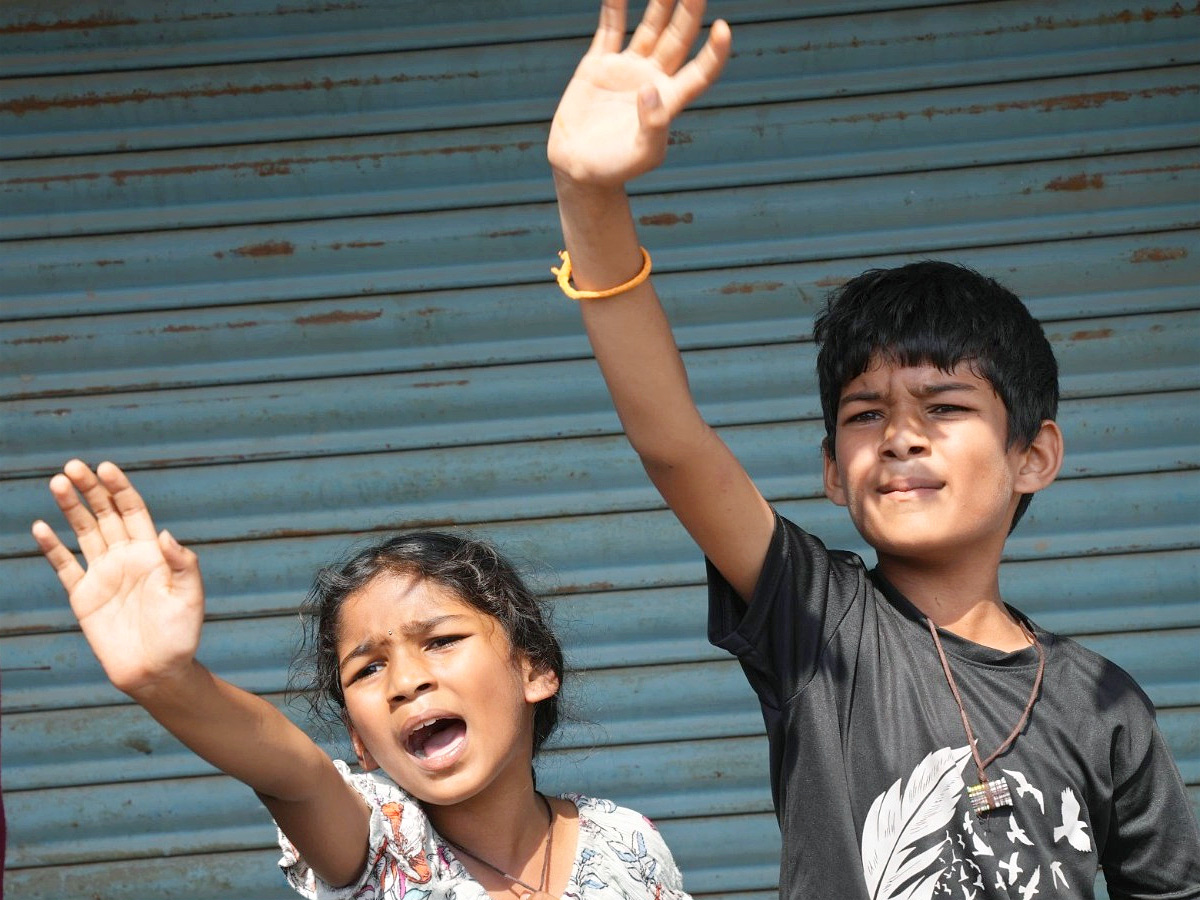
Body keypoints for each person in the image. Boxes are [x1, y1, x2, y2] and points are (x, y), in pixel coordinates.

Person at [547, 1, 1200, 898]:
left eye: (945, 405)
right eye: (865, 415)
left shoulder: (1105, 703)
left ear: (1034, 456)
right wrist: (592, 198)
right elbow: (672, 443)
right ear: (829, 469)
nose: (900, 434)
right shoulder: (817, 622)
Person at [32, 459, 691, 900]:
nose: (405, 681)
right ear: (361, 740)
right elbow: (289, 770)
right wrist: (169, 681)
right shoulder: (382, 840)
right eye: (368, 668)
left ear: (534, 668)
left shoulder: (626, 842)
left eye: (440, 641)